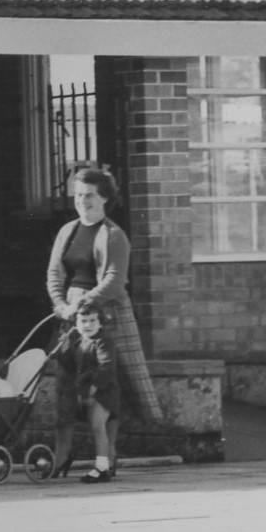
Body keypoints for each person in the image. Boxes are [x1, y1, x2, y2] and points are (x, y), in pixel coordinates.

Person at [46, 163, 163, 482]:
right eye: (79, 194)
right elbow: (55, 273)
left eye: (91, 196)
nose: (83, 201)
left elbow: (114, 280)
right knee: (66, 383)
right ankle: (62, 454)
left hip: (107, 314)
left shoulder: (113, 235)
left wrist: (83, 302)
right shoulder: (66, 231)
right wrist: (60, 304)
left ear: (105, 200)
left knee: (107, 386)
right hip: (72, 314)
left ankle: (108, 456)